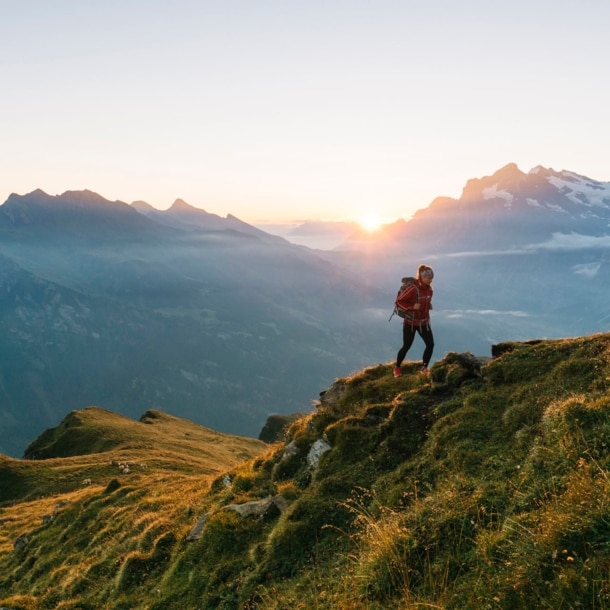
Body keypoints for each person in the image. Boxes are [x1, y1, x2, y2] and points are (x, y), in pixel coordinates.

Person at [393, 264, 434, 377]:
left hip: (424, 322)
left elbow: (425, 301)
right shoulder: (413, 288)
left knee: (430, 344)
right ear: (422, 277)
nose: (430, 280)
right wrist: (411, 307)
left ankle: (424, 368)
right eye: (428, 278)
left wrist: (428, 304)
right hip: (410, 323)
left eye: (431, 278)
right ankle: (397, 367)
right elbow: (398, 302)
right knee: (406, 346)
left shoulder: (429, 290)